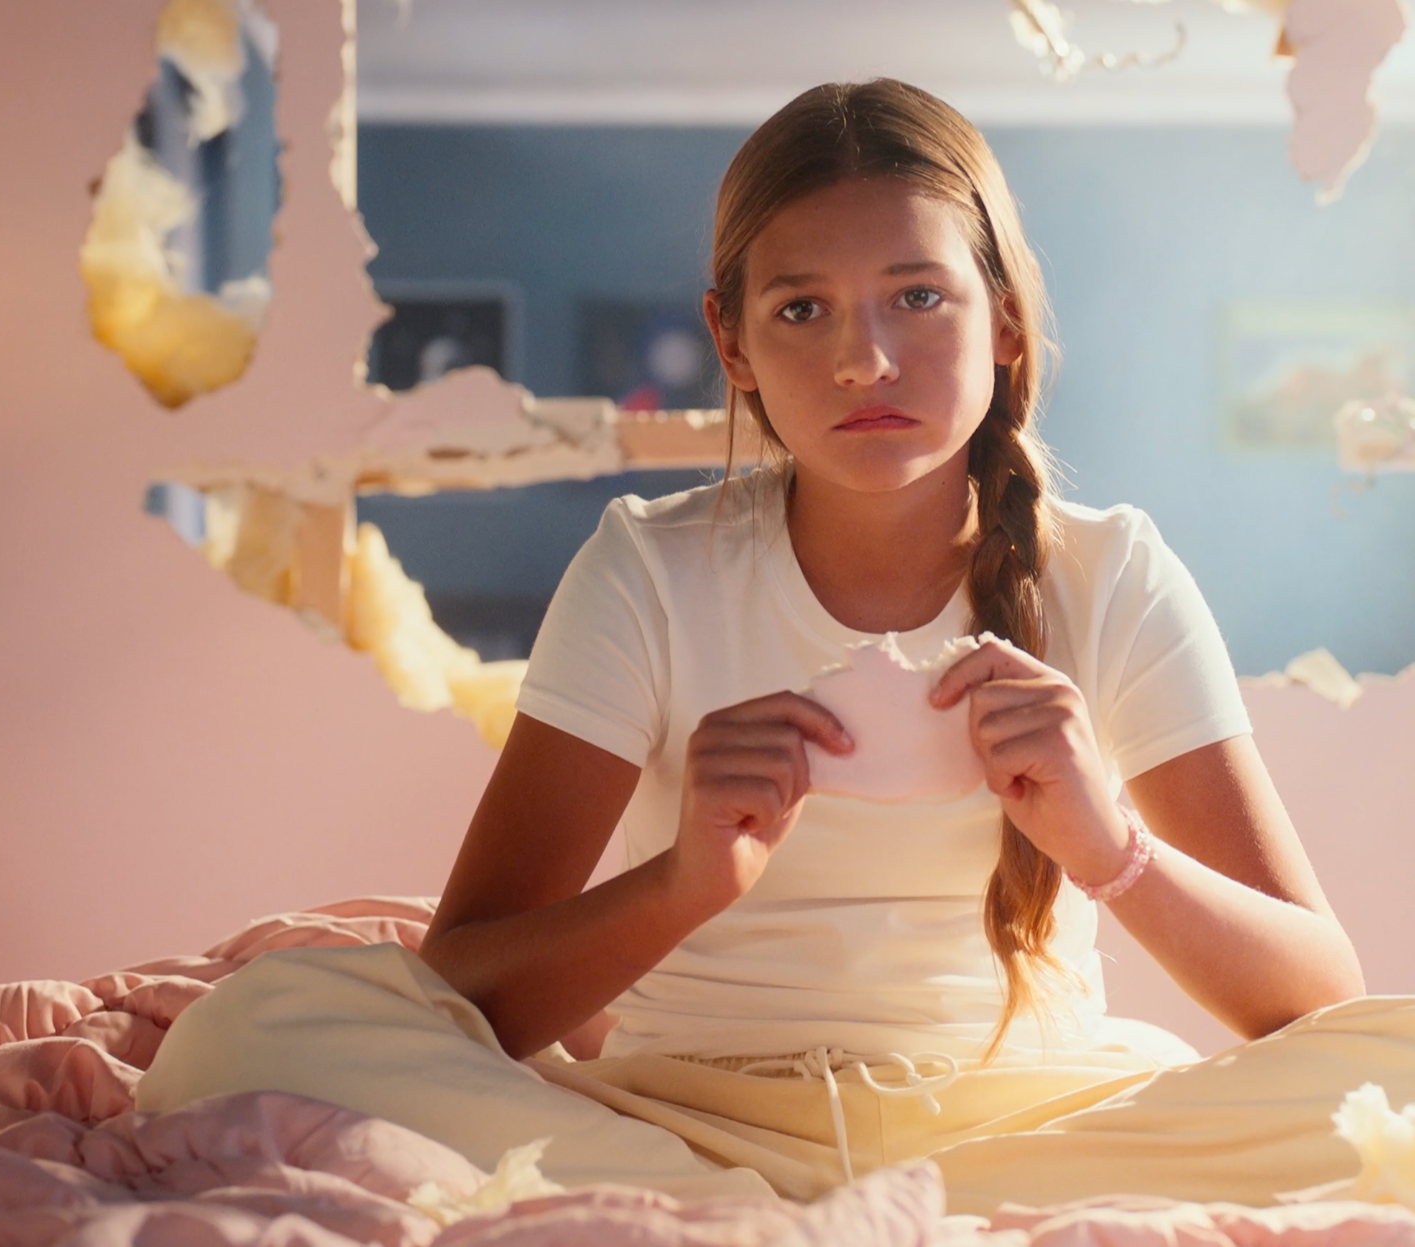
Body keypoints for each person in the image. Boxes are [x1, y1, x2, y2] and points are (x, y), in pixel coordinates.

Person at [140, 80, 1408, 1215]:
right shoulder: (649, 566)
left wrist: (1109, 847)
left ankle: (789, 1217)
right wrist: (686, 881)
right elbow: (467, 994)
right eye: (803, 308)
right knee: (256, 1027)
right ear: (734, 342)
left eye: (919, 296)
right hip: (687, 1119)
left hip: (1037, 1121)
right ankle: (779, 1209)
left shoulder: (1113, 572)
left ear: (1007, 319)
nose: (865, 358)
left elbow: (1317, 996)